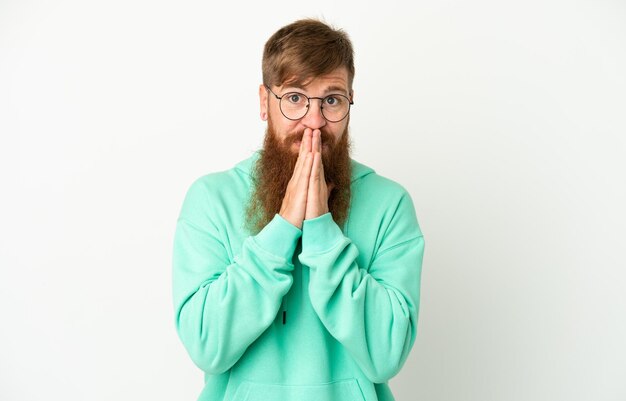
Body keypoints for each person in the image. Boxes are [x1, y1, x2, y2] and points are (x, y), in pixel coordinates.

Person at [172, 18, 425, 401]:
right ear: (264, 102)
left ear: (350, 103)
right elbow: (207, 345)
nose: (315, 121)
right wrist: (283, 227)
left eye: (332, 100)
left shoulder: (390, 204)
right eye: (294, 97)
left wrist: (322, 231)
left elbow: (386, 355)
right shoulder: (211, 199)